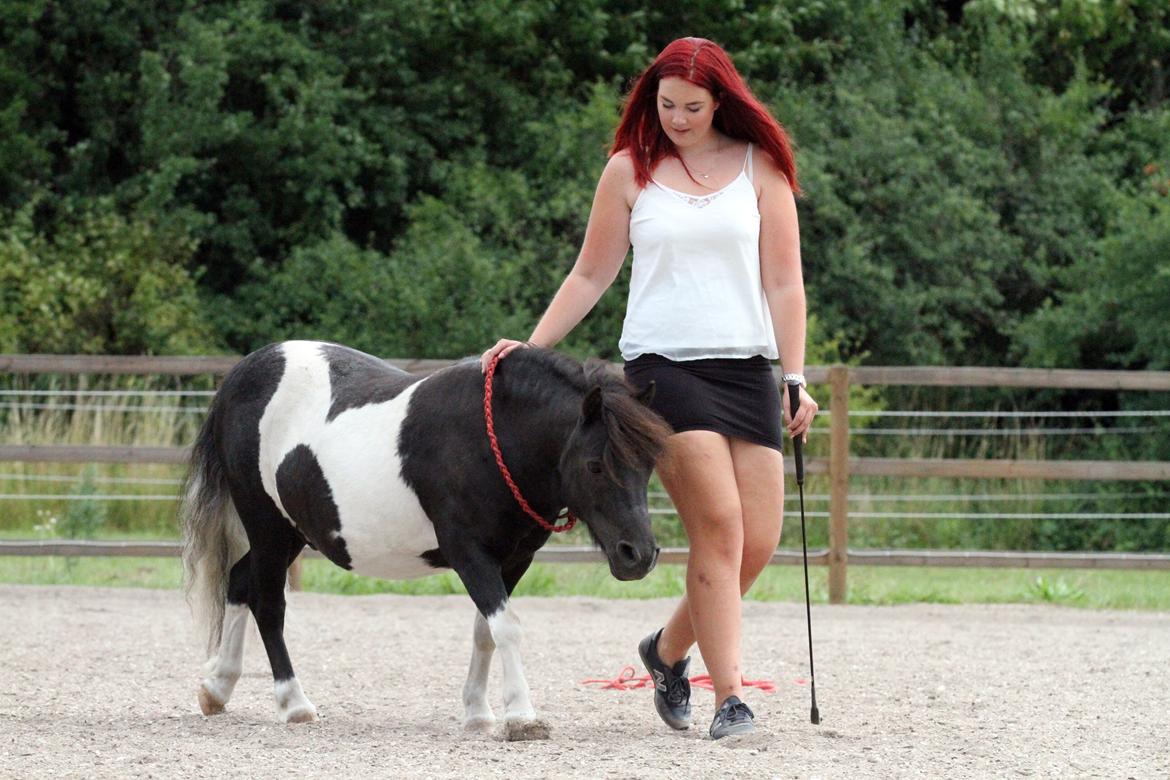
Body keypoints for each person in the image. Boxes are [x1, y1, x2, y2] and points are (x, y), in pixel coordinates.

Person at [480, 37, 818, 739]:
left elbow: (785, 282)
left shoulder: (762, 169)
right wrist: (531, 348)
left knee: (756, 544)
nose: (678, 118)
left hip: (749, 368)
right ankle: (731, 697)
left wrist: (795, 375)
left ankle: (664, 653)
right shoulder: (629, 171)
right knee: (719, 529)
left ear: (720, 100)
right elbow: (590, 275)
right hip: (666, 371)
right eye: (666, 105)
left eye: (693, 107)